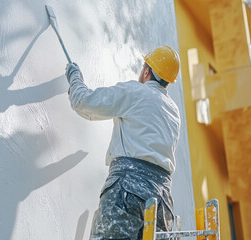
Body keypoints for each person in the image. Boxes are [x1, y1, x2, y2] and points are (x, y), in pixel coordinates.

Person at [65, 45, 181, 240]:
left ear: (147, 71)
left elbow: (83, 102)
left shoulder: (135, 92)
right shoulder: (173, 111)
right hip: (162, 202)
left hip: (128, 190)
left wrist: (74, 77)